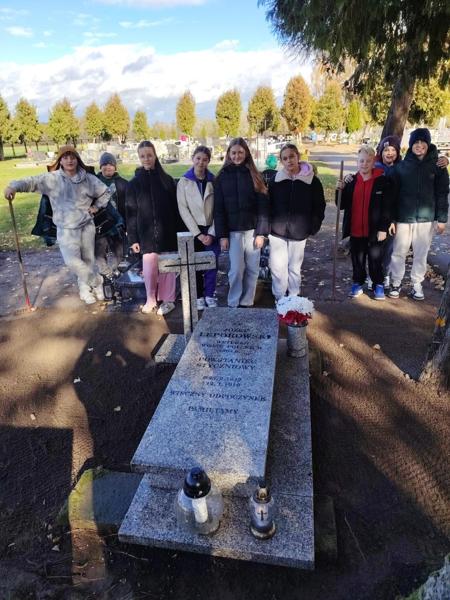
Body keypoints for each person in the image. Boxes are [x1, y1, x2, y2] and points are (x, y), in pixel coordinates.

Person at [4, 145, 110, 304]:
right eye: (65, 157)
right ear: (60, 161)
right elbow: (32, 182)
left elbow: (106, 192)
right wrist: (13, 186)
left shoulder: (88, 179)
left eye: (72, 157)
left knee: (87, 260)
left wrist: (96, 206)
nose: (69, 160)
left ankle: (85, 290)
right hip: (66, 229)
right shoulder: (52, 179)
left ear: (77, 160)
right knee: (72, 262)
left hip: (86, 226)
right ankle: (96, 281)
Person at [388, 128, 449, 300]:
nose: (419, 145)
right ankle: (396, 282)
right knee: (398, 252)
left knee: (421, 254)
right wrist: (391, 219)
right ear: (411, 145)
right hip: (403, 218)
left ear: (428, 144)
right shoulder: (401, 167)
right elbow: (392, 195)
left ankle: (416, 284)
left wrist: (442, 219)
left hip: (426, 219)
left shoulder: (438, 166)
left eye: (423, 142)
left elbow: (442, 193)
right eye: (416, 142)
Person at [214, 137, 269, 308]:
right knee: (236, 269)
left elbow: (263, 206)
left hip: (252, 231)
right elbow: (218, 209)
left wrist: (261, 233)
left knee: (252, 268)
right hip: (233, 232)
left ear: (246, 154)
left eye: (240, 152)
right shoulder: (222, 177)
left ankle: (247, 301)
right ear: (228, 154)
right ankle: (234, 301)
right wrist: (222, 235)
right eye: (233, 153)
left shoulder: (255, 175)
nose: (237, 156)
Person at [126, 140, 179, 315]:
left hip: (167, 232)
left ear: (155, 155)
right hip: (146, 234)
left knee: (167, 270)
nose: (146, 159)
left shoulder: (167, 180)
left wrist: (178, 232)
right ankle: (151, 299)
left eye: (149, 155)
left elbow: (175, 209)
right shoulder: (134, 184)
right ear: (139, 158)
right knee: (149, 270)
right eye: (142, 156)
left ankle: (168, 300)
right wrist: (133, 238)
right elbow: (131, 212)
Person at [268, 143, 325, 302]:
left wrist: (313, 226)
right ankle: (279, 297)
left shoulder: (312, 181)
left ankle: (293, 297)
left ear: (298, 157)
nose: (289, 161)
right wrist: (268, 224)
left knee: (294, 267)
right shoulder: (275, 181)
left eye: (291, 157)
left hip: (299, 231)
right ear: (281, 161)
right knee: (278, 267)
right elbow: (268, 203)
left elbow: (319, 206)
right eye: (285, 158)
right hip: (277, 231)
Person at [336, 145, 394, 301]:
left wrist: (383, 228)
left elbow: (387, 208)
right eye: (361, 161)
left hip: (375, 230)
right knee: (358, 259)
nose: (364, 164)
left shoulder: (382, 181)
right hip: (356, 229)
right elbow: (341, 204)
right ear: (357, 162)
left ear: (373, 162)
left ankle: (378, 284)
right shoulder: (351, 181)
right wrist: (339, 190)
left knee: (375, 259)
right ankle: (358, 282)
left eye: (368, 161)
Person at [177, 145, 220, 310]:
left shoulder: (213, 181)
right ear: (193, 158)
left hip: (211, 229)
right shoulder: (184, 182)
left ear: (209, 161)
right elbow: (183, 209)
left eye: (205, 159)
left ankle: (209, 294)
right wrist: (198, 234)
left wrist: (211, 233)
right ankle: (198, 296)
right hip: (194, 230)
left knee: (211, 263)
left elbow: (218, 209)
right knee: (194, 264)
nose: (201, 162)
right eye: (198, 158)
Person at [95, 152, 128, 278]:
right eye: (105, 164)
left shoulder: (123, 183)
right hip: (100, 224)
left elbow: (128, 205)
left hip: (117, 224)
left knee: (119, 253)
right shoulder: (94, 182)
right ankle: (106, 275)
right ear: (100, 167)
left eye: (111, 164)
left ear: (115, 167)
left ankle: (115, 273)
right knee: (99, 253)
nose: (108, 167)